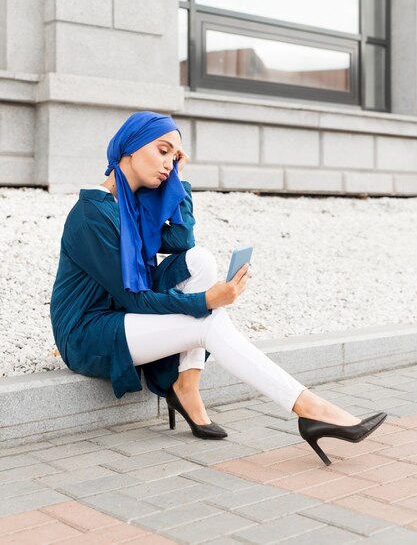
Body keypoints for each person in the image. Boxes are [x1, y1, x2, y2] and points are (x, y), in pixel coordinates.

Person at [50, 111, 386, 466]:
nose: (168, 164)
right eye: (163, 152)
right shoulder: (92, 214)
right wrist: (205, 300)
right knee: (206, 321)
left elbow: (182, 239)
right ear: (129, 149)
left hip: (123, 316)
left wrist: (179, 178)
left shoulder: (131, 207)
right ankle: (309, 408)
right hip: (88, 334)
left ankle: (186, 385)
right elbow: (133, 297)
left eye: (175, 158)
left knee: (201, 260)